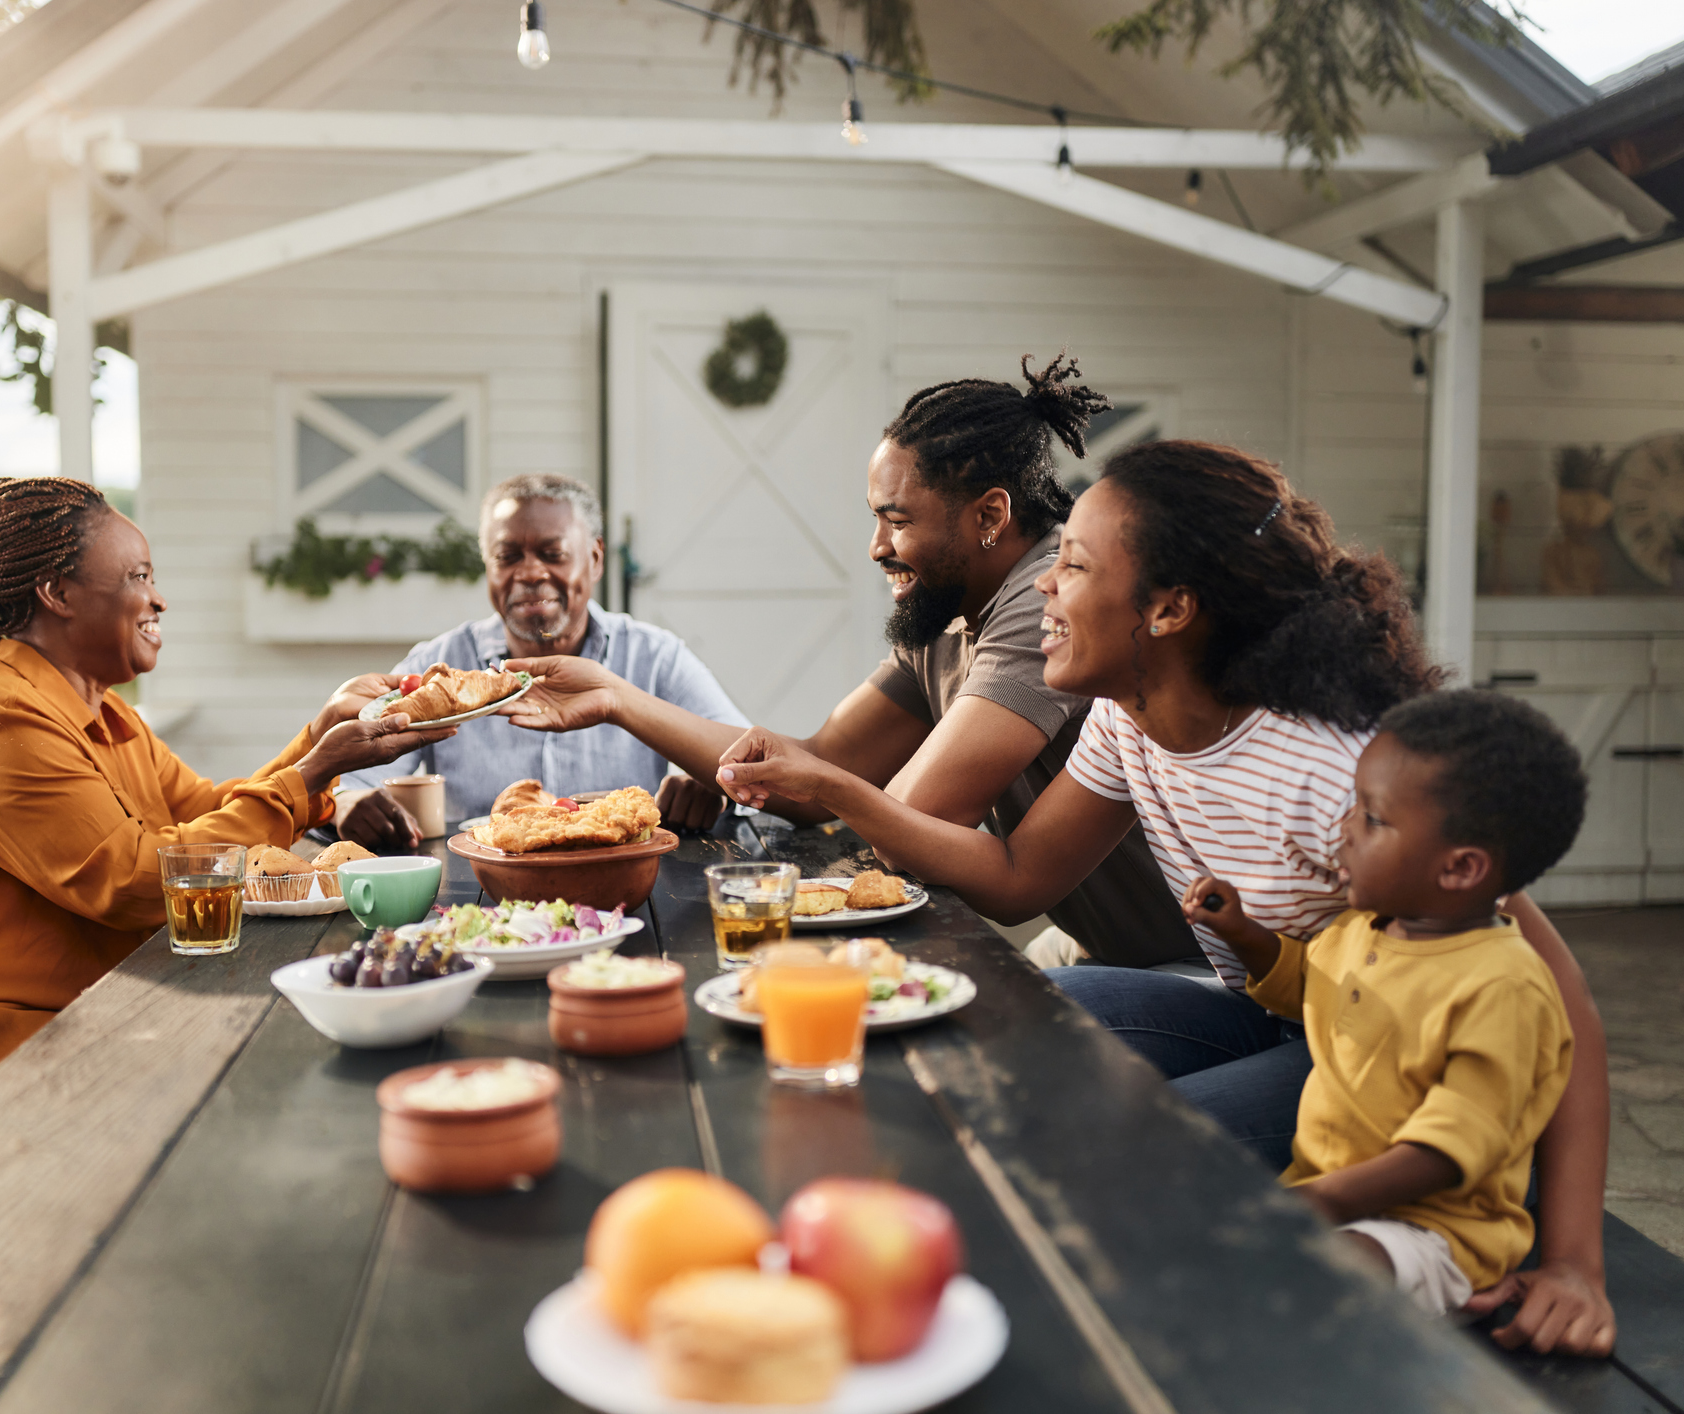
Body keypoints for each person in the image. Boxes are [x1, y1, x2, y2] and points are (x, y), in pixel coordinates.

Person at [711, 440, 1617, 1355]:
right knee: (1008, 1018)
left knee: (1126, 1149)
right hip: (1275, 1011)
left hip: (1388, 1073)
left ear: (1171, 609)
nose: (1042, 590)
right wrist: (837, 790)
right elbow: (1022, 877)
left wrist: (1578, 1263)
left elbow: (1554, 1003)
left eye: (1072, 565)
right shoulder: (1129, 716)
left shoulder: (1332, 769)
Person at [500, 355, 1196, 966]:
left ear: (988, 517)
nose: (876, 547)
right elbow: (821, 762)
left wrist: (823, 785)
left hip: (1186, 960)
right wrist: (615, 699)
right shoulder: (949, 612)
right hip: (1098, 946)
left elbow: (906, 815)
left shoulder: (1040, 610)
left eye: (897, 520)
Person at [0, 477, 449, 1076]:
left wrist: (319, 739)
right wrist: (316, 769)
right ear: (57, 592)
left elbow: (202, 811)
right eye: (138, 577)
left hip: (116, 1009)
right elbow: (133, 879)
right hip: (7, 1052)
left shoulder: (102, 709)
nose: (158, 600)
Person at [1184, 690, 1584, 1316]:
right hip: (1333, 1200)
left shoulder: (1504, 985)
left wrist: (1322, 1205)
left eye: (1372, 819)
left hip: (1433, 1230)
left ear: (1459, 869)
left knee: (1310, 1278)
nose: (1343, 830)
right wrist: (1247, 937)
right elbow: (1304, 986)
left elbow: (1451, 1147)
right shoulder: (1362, 931)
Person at [331, 473, 748, 844]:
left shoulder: (656, 657)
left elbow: (751, 763)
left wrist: (713, 786)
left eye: (553, 553)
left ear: (596, 558)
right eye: (507, 556)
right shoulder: (437, 665)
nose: (530, 573)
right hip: (479, 900)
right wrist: (349, 800)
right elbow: (354, 775)